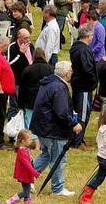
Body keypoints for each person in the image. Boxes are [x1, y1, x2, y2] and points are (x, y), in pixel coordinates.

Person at [30, 61, 82, 196]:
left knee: (47, 154)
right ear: (66, 74)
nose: (71, 73)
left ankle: (28, 177)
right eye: (70, 70)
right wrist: (73, 124)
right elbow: (61, 112)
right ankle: (57, 188)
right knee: (58, 158)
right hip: (53, 130)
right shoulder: (59, 87)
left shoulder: (49, 83)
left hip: (43, 127)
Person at [69, 24, 98, 150]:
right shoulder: (83, 50)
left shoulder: (76, 47)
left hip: (78, 84)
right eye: (91, 35)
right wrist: (93, 81)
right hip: (84, 86)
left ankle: (75, 137)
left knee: (77, 111)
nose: (92, 37)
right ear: (88, 36)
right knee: (83, 113)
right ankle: (77, 141)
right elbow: (87, 69)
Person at [6, 129, 41, 204]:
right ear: (23, 141)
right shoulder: (22, 151)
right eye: (29, 139)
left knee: (27, 191)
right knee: (26, 192)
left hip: (26, 174)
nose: (31, 140)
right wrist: (36, 173)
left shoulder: (25, 149)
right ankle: (11, 201)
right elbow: (27, 165)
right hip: (24, 175)